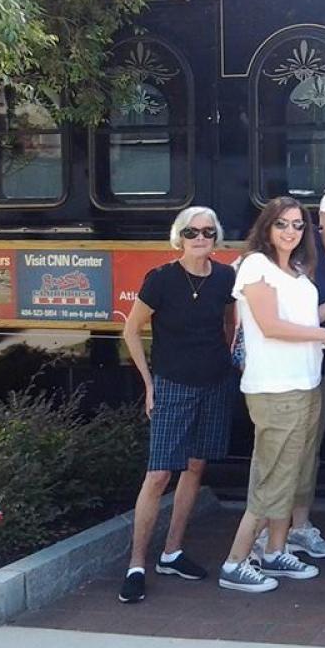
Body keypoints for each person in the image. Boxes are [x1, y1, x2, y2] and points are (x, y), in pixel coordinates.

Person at [219, 197, 325, 594]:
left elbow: (305, 321)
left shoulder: (293, 270)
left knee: (291, 474)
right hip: (275, 388)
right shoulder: (255, 266)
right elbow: (272, 326)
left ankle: (276, 552)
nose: (291, 232)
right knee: (272, 476)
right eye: (282, 224)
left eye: (297, 225)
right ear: (266, 227)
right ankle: (236, 562)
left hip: (304, 383)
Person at [119, 207, 236, 604]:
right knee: (158, 475)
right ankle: (136, 564)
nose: (200, 237)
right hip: (172, 386)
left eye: (207, 230)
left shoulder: (225, 278)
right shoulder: (161, 280)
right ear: (179, 237)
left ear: (215, 236)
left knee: (196, 467)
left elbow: (229, 325)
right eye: (191, 231)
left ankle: (172, 552)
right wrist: (149, 384)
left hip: (215, 385)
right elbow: (131, 331)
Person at [253, 189, 325, 562]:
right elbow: (282, 322)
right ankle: (261, 538)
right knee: (282, 457)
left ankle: (297, 527)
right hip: (285, 372)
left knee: (307, 453)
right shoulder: (295, 258)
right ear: (322, 220)